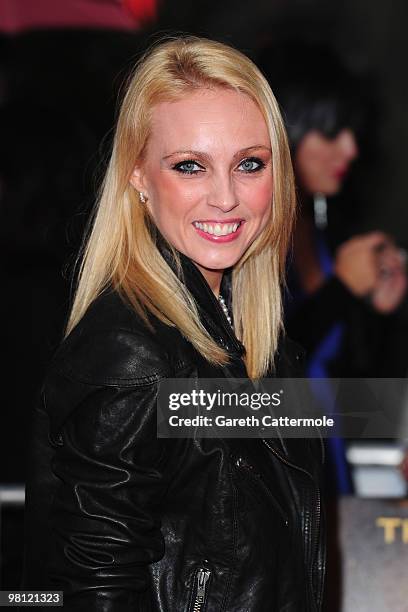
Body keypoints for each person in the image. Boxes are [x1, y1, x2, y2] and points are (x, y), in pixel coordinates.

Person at [22, 36, 325, 611]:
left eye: (249, 164)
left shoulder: (249, 333)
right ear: (138, 176)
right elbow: (96, 588)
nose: (226, 197)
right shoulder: (130, 352)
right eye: (190, 166)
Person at [258, 42, 407, 496]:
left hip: (335, 453)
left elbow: (343, 374)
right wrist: (343, 290)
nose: (350, 149)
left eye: (352, 131)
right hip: (279, 465)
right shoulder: (249, 234)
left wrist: (379, 311)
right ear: (287, 130)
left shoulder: (326, 230)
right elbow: (259, 370)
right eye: (331, 132)